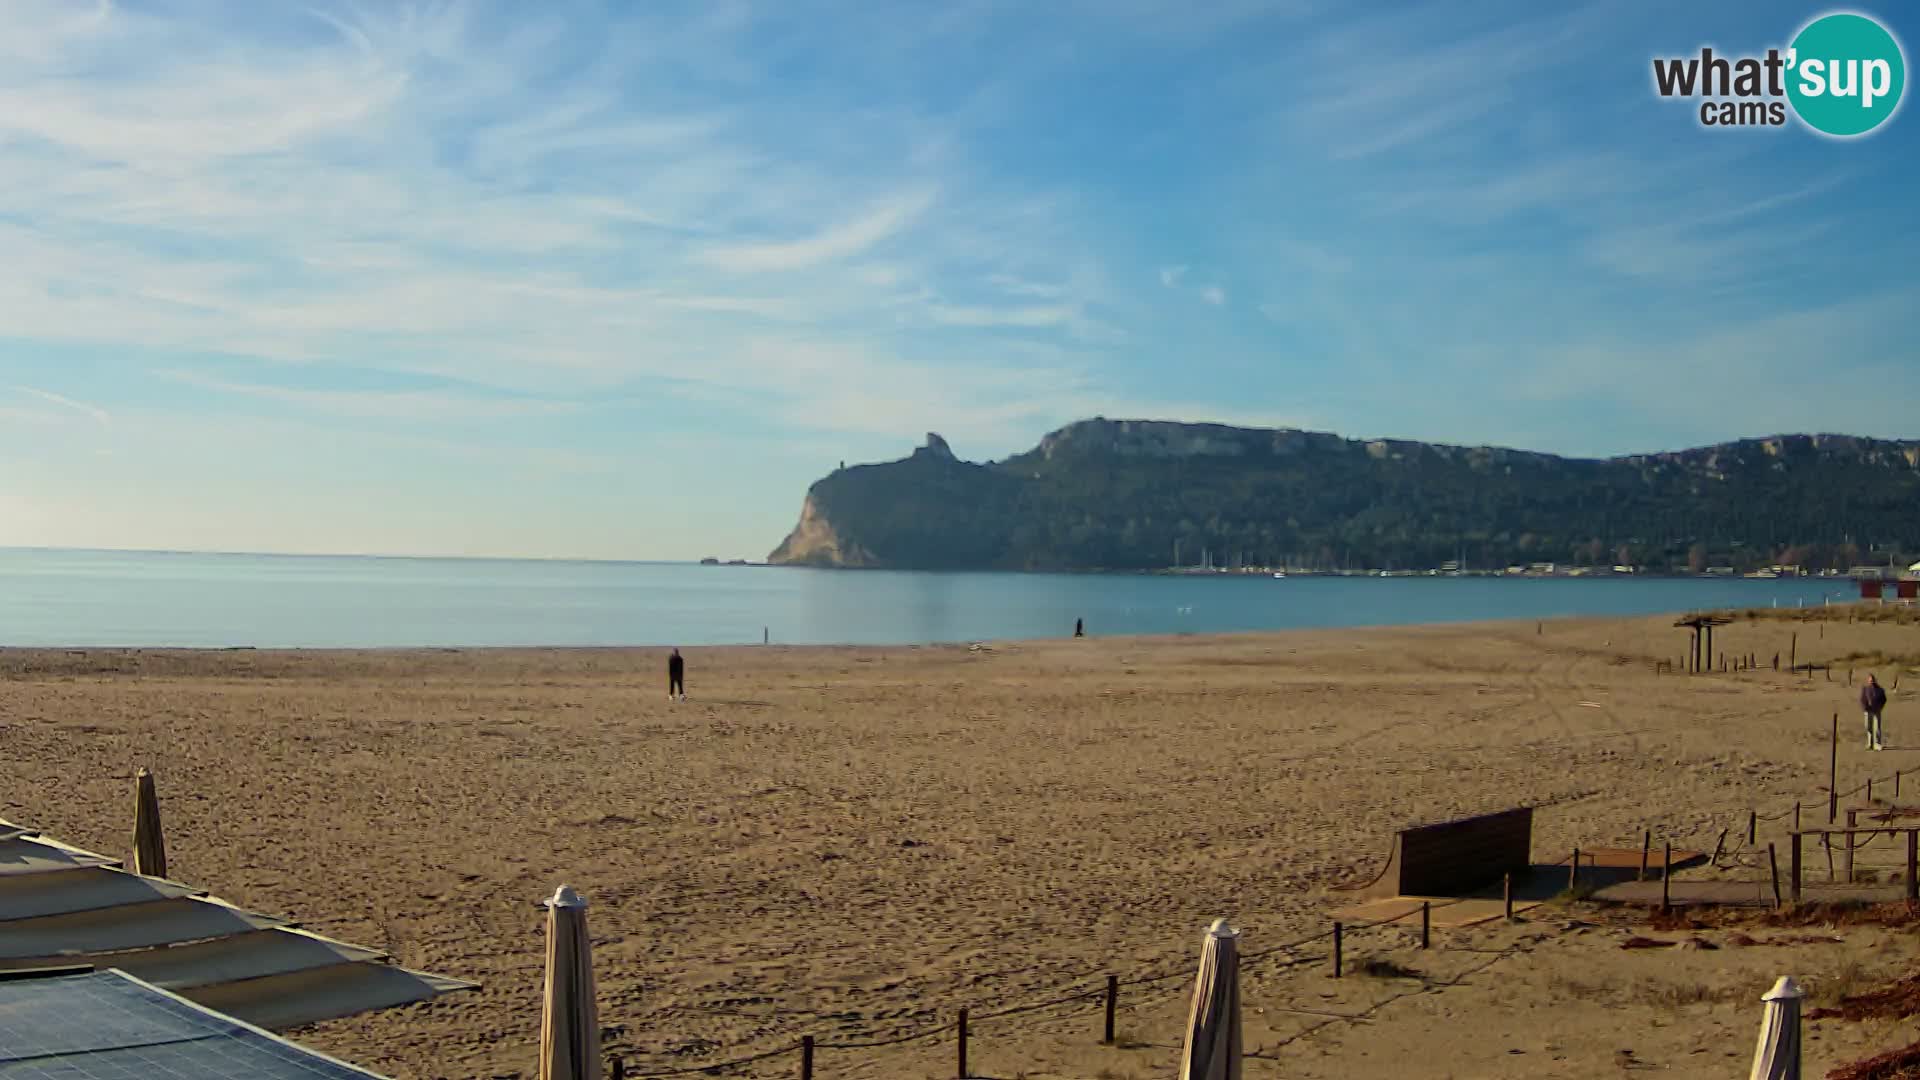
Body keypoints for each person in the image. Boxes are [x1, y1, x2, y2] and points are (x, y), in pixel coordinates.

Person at [1862, 673, 1888, 751]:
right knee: (1868, 727)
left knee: (1877, 728)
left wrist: (1880, 707)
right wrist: (1865, 707)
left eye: (1872, 680)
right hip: (1868, 711)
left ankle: (1877, 744)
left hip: (1877, 711)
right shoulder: (1865, 689)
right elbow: (1862, 699)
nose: (1871, 682)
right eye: (1870, 680)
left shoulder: (1880, 690)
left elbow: (1884, 699)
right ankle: (1870, 744)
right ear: (1868, 681)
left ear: (1875, 680)